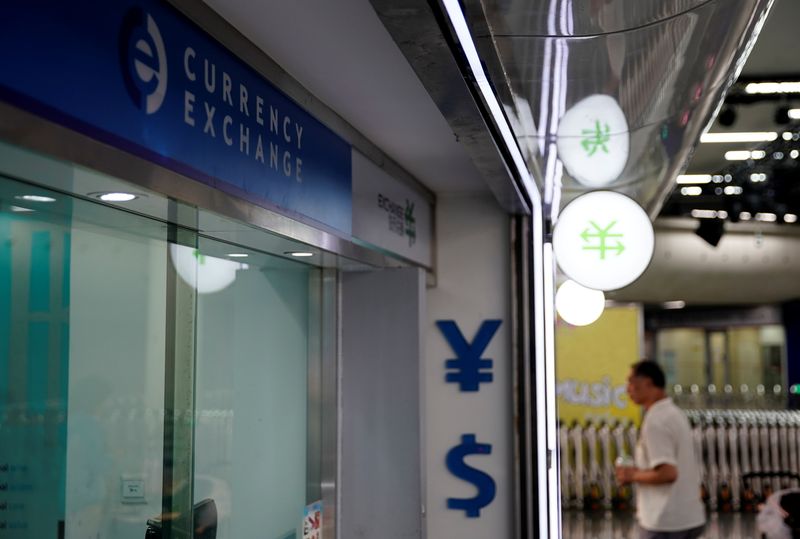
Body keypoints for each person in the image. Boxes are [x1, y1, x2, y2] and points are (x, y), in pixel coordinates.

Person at [615, 360, 706, 539]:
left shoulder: (656, 421)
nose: (628, 389)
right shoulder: (674, 413)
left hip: (665, 522)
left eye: (631, 383)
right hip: (688, 518)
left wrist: (631, 475)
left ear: (648, 383)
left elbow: (667, 473)